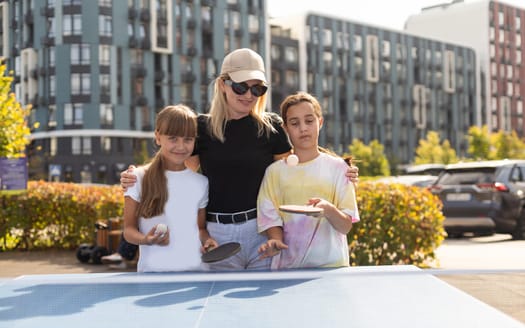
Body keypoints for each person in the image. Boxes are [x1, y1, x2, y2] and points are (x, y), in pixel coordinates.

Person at [120, 48, 359, 270]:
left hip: (262, 233)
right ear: (223, 84)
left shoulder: (271, 127)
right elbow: (176, 164)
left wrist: (341, 167)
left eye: (257, 89)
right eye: (240, 87)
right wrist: (137, 175)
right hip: (216, 235)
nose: (248, 95)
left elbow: (298, 163)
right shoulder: (201, 128)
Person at [257, 92, 359, 269]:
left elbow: (345, 226)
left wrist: (328, 209)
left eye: (309, 121)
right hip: (288, 269)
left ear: (320, 122)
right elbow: (270, 219)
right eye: (295, 123)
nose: (303, 128)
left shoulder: (340, 169)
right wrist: (275, 241)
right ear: (286, 128)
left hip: (331, 267)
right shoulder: (274, 172)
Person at [122, 104, 218, 272]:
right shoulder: (137, 178)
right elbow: (128, 231)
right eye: (173, 138)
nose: (181, 146)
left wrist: (207, 241)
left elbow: (200, 229)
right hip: (153, 273)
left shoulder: (201, 182)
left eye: (188, 139)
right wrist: (147, 239)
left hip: (196, 274)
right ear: (158, 137)